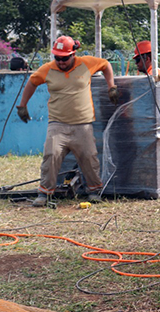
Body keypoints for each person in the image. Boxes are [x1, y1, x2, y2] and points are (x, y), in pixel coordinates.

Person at [16, 36, 120, 207]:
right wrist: (22, 105)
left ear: (73, 54)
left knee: (89, 157)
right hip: (57, 124)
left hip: (83, 124)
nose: (61, 61)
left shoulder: (86, 63)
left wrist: (111, 87)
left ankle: (94, 191)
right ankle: (45, 193)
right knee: (51, 155)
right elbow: (32, 82)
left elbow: (106, 65)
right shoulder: (48, 69)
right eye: (57, 58)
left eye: (64, 58)